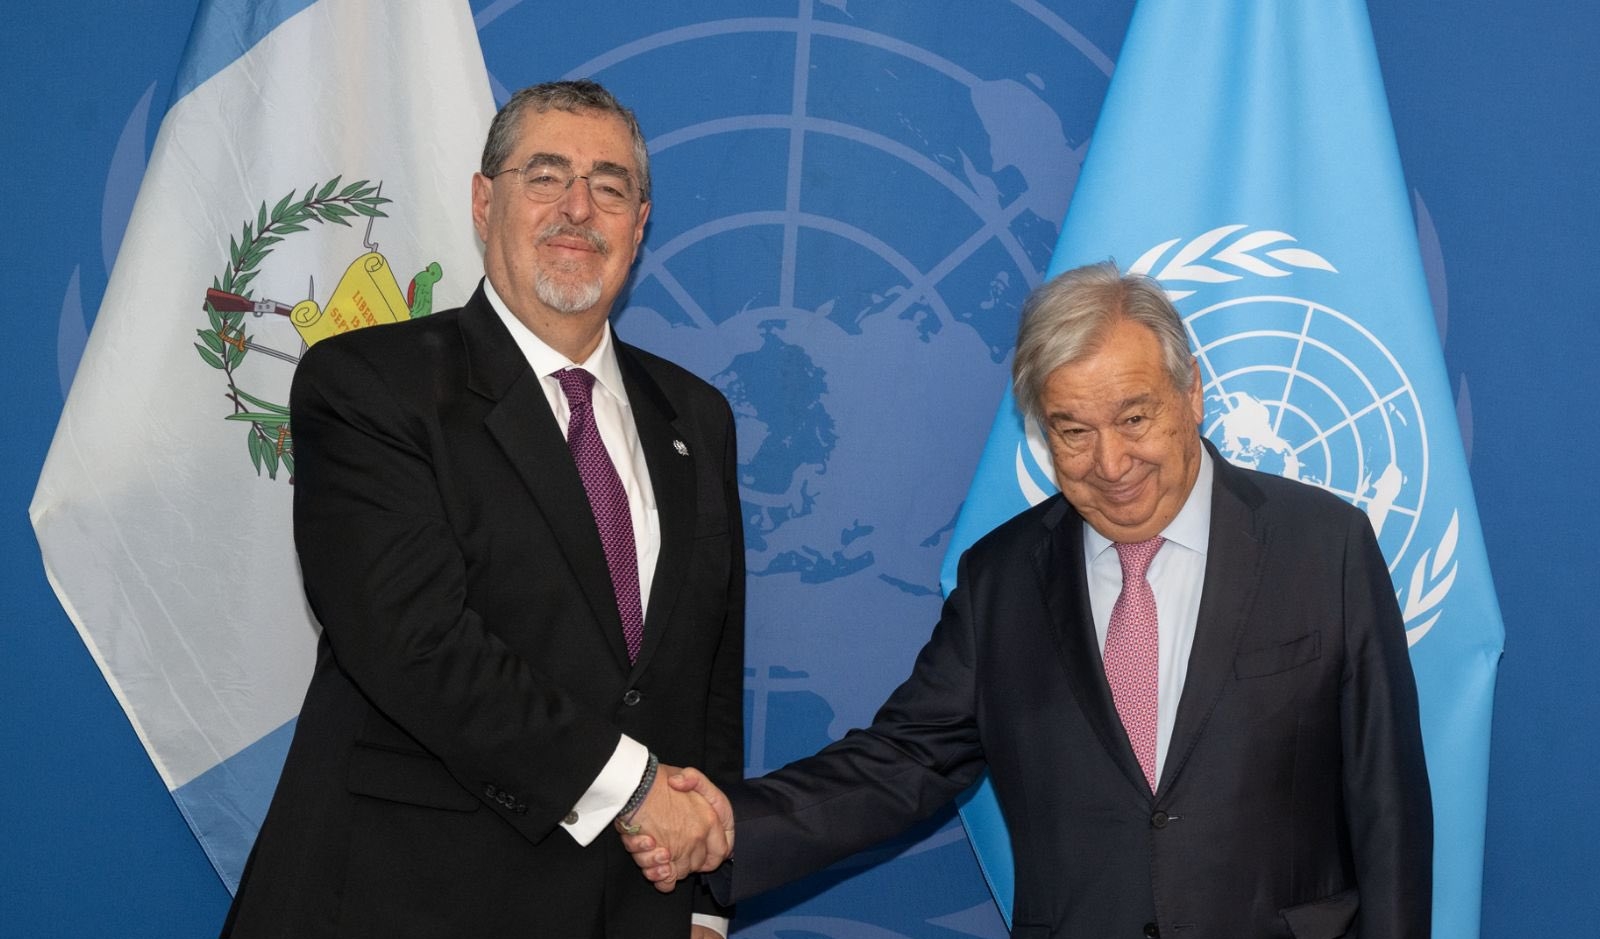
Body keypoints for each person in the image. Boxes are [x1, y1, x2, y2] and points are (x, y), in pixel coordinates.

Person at [629, 261, 1433, 937]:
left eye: (1134, 416)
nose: (1111, 461)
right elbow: (901, 762)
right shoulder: (1002, 581)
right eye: (1072, 430)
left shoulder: (1321, 547)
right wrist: (730, 824)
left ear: (1192, 394)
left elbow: (1387, 809)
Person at [222, 80, 743, 939]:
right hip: (407, 901)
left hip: (633, 910)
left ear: (640, 224)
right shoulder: (368, 387)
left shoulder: (696, 417)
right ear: (483, 199)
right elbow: (417, 645)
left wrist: (703, 899)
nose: (578, 208)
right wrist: (637, 788)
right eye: (545, 176)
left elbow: (708, 672)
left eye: (609, 187)